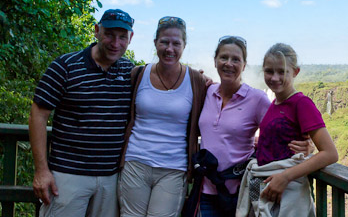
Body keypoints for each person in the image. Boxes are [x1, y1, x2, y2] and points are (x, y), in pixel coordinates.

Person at [189, 36, 314, 217]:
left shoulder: (256, 99)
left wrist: (308, 144)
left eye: (236, 59)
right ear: (215, 61)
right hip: (206, 190)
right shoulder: (207, 91)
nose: (229, 64)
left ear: (244, 65)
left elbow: (279, 128)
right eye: (224, 57)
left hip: (241, 191)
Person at [28, 9, 135, 217]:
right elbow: (37, 116)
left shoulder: (129, 71)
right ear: (96, 31)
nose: (115, 43)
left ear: (130, 38)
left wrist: (196, 79)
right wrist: (41, 171)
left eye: (122, 37)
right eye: (109, 35)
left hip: (110, 179)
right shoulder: (65, 66)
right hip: (67, 176)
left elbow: (159, 85)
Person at [117, 16, 207, 217]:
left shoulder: (196, 81)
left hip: (173, 168)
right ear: (155, 42)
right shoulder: (138, 74)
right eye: (164, 42)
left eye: (176, 43)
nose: (170, 49)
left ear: (184, 45)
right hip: (135, 162)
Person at [236, 43, 338, 216]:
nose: (274, 78)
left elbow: (330, 153)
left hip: (285, 187)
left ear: (295, 72)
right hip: (264, 182)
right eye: (269, 71)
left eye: (282, 72)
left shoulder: (301, 104)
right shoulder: (274, 104)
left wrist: (285, 177)